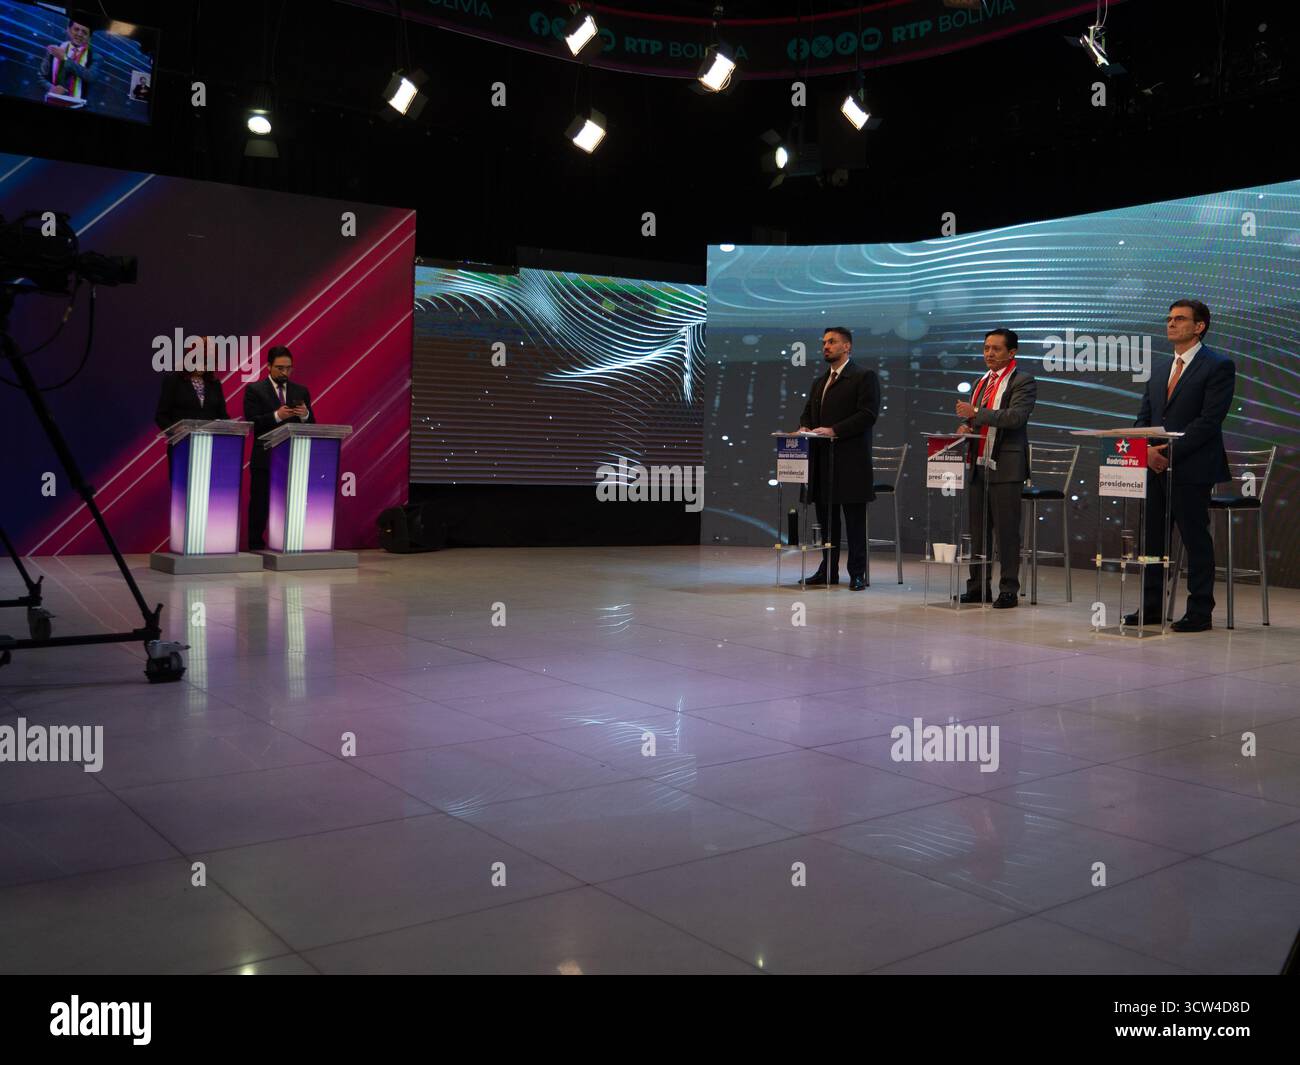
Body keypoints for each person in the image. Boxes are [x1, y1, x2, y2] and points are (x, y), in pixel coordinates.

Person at [1126, 300, 1235, 631]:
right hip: (1154, 467)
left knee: (1194, 539)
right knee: (1153, 542)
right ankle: (1152, 607)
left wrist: (1167, 455)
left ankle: (1200, 611)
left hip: (1192, 467)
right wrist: (1144, 451)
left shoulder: (1217, 365)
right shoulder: (1160, 369)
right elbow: (1145, 417)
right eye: (1169, 318)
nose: (1171, 324)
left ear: (1199, 326)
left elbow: (1209, 421)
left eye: (1180, 319)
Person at [954, 328, 1036, 608]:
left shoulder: (1022, 381)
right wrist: (967, 426)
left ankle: (1009, 589)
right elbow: (981, 421)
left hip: (1006, 464)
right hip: (978, 462)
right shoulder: (981, 381)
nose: (989, 353)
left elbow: (1015, 417)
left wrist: (975, 413)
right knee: (978, 531)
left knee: (1006, 531)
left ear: (1012, 352)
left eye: (996, 349)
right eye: (986, 348)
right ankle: (977, 587)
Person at [793, 326, 880, 590]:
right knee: (827, 521)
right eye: (824, 343)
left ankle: (857, 573)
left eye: (831, 342)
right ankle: (827, 570)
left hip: (851, 461)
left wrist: (834, 430)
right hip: (823, 462)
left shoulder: (864, 376)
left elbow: (867, 414)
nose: (825, 347)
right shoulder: (820, 381)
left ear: (847, 347)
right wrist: (806, 427)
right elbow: (807, 412)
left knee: (854, 522)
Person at [242, 345, 315, 550]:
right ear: (269, 366)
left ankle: (289, 542)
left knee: (292, 502)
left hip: (293, 456)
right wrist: (276, 416)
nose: (285, 372)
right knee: (260, 503)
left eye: (289, 368)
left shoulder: (301, 391)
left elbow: (312, 423)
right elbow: (252, 422)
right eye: (280, 368)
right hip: (265, 456)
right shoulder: (255, 390)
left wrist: (304, 415)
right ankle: (256, 544)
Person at [39, 18, 97, 107]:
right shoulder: (54, 49)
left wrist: (65, 58)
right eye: (76, 29)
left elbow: (91, 77)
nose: (79, 34)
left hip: (79, 107)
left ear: (89, 37)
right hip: (52, 102)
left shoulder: (95, 57)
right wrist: (52, 88)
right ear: (68, 30)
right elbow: (41, 77)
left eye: (84, 32)